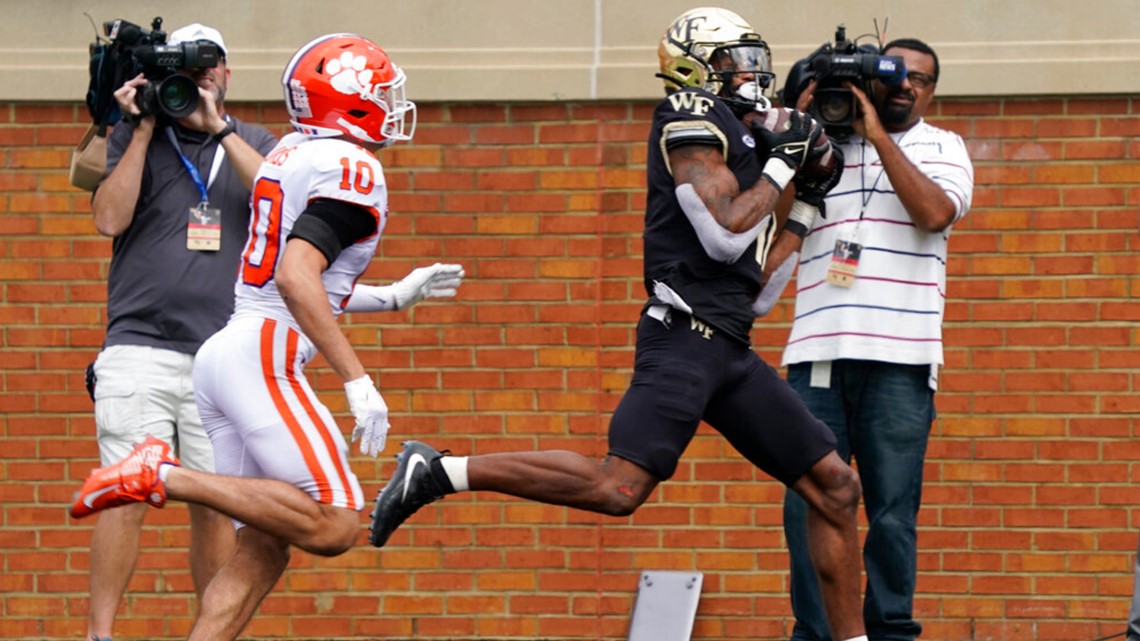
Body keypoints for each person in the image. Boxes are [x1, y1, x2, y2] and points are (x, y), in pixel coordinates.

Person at [369, 8, 868, 641]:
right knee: (618, 488)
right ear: (694, 65)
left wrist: (808, 200)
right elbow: (720, 237)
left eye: (752, 58)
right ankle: (437, 471)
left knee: (835, 486)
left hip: (729, 347)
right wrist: (780, 166)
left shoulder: (747, 144)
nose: (749, 73)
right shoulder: (691, 113)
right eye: (732, 59)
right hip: (681, 337)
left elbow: (759, 293)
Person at [71, 33, 465, 641]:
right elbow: (294, 276)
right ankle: (162, 476)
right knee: (336, 523)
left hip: (226, 352)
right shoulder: (351, 165)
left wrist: (390, 296)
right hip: (263, 358)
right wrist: (358, 379)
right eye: (382, 92)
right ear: (350, 99)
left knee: (265, 543)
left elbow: (291, 279)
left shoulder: (286, 153)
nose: (393, 104)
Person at [83, 22, 277, 641]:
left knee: (216, 502)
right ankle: (100, 635)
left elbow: (280, 198)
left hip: (219, 355)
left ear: (226, 73)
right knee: (125, 492)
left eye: (210, 65)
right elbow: (109, 219)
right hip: (138, 347)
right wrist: (140, 125)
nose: (200, 78)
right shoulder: (138, 133)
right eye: (187, 69)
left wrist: (216, 127)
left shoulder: (251, 140)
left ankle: (210, 635)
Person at [780, 38, 974, 641]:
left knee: (892, 511)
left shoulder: (944, 147)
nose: (907, 86)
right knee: (808, 504)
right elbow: (768, 223)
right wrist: (799, 130)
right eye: (895, 74)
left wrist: (876, 134)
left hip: (902, 361)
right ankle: (816, 633)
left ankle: (889, 632)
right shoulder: (818, 147)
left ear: (932, 90)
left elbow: (935, 213)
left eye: (921, 79)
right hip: (816, 355)